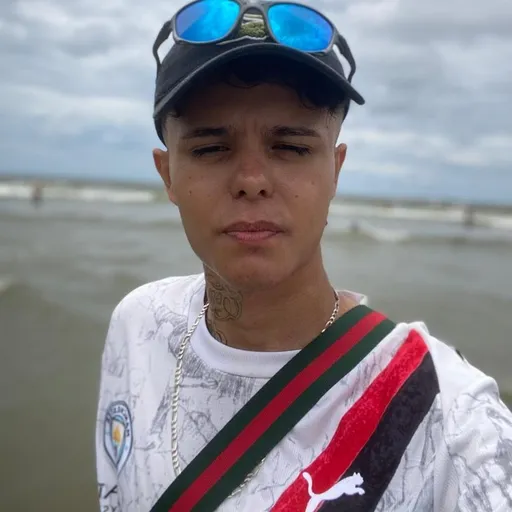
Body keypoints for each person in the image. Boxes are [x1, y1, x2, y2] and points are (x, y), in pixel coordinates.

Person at [95, 2, 512, 511]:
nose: (252, 181)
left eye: (291, 147)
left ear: (335, 170)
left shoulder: (448, 420)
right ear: (168, 175)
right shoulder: (138, 324)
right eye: (210, 149)